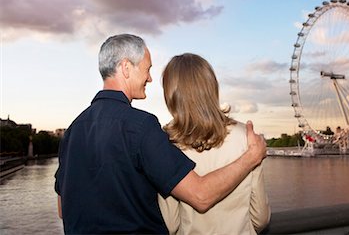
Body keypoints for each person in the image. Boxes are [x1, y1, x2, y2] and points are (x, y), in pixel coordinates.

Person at [54, 34, 267, 234]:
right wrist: (251, 156)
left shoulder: (72, 131)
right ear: (126, 67)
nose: (149, 78)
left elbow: (64, 209)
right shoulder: (141, 126)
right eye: (147, 69)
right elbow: (201, 196)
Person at [158, 53, 271, 235]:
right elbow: (260, 218)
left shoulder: (167, 143)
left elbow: (170, 224)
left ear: (171, 94)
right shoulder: (247, 138)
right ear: (212, 87)